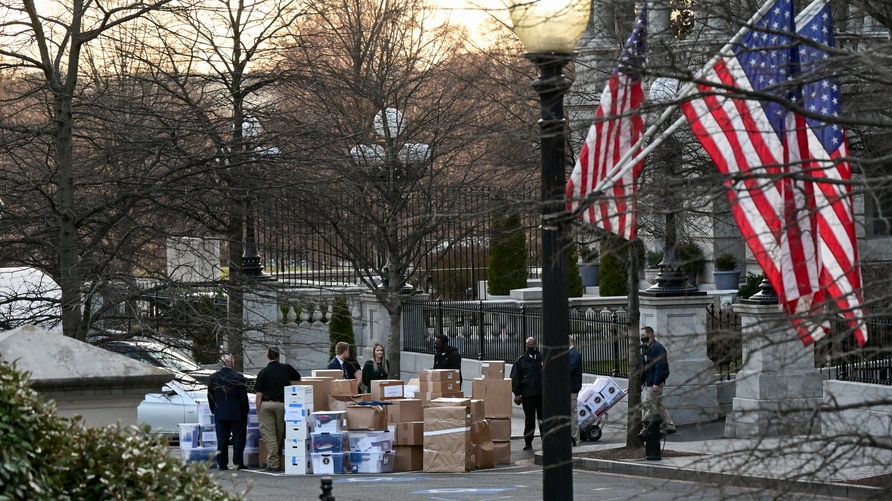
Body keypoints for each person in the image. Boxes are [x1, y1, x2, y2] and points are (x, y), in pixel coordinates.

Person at [254, 347, 301, 472]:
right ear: (278, 356)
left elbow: (259, 394)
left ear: (267, 356)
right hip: (282, 404)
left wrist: (258, 410)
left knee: (269, 435)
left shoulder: (263, 372)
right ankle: (273, 460)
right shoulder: (286, 368)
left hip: (266, 404)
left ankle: (274, 463)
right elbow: (298, 377)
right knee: (280, 433)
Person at [207, 354, 250, 470]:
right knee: (238, 439)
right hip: (237, 412)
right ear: (231, 363)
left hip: (220, 411)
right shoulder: (238, 377)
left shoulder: (213, 377)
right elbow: (243, 397)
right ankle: (237, 462)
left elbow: (210, 396)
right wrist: (245, 410)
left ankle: (222, 463)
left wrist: (214, 410)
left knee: (222, 438)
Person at [640, 326, 676, 434]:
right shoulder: (646, 349)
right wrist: (642, 381)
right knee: (658, 405)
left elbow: (659, 367)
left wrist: (656, 383)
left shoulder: (658, 348)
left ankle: (645, 426)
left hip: (654, 383)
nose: (641, 337)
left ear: (650, 335)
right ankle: (669, 425)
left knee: (649, 405)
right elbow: (645, 367)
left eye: (643, 335)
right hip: (649, 382)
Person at [510, 336, 543, 451]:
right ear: (526, 346)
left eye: (534, 345)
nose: (533, 347)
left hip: (541, 394)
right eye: (530, 345)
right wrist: (517, 394)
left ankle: (546, 441)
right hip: (528, 395)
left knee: (543, 419)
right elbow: (515, 378)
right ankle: (528, 442)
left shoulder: (541, 358)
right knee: (529, 420)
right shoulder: (521, 361)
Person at [568, 335, 583, 447]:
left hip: (571, 388)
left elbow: (568, 369)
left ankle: (574, 438)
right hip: (568, 388)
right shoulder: (571, 354)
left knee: (572, 413)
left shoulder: (574, 354)